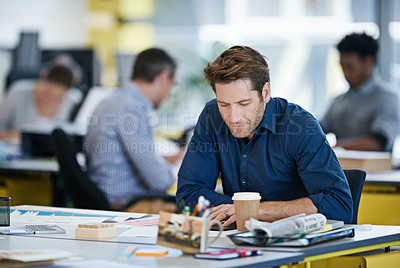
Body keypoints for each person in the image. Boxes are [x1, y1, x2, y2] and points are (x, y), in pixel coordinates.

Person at [176, 46, 353, 226]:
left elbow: (338, 205)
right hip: (236, 242)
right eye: (224, 105)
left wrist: (253, 211)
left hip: (296, 243)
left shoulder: (300, 126)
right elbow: (189, 195)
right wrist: (235, 210)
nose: (233, 117)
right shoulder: (211, 116)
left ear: (265, 93)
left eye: (244, 103)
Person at [84, 48, 184, 210]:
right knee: (195, 212)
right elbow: (160, 181)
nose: (170, 95)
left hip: (107, 195)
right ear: (163, 77)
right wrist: (182, 164)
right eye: (173, 85)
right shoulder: (131, 109)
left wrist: (170, 158)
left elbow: (124, 157)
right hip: (124, 204)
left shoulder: (115, 101)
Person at [320, 32, 399, 152]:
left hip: (374, 170)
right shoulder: (339, 101)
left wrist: (335, 148)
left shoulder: (388, 99)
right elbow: (317, 129)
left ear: (368, 62)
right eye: (342, 67)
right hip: (341, 169)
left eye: (350, 67)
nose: (345, 73)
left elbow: (379, 142)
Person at [0, 55, 82, 141]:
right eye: (47, 93)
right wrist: (19, 136)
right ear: (43, 76)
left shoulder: (75, 99)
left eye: (58, 97)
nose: (51, 99)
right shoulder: (17, 91)